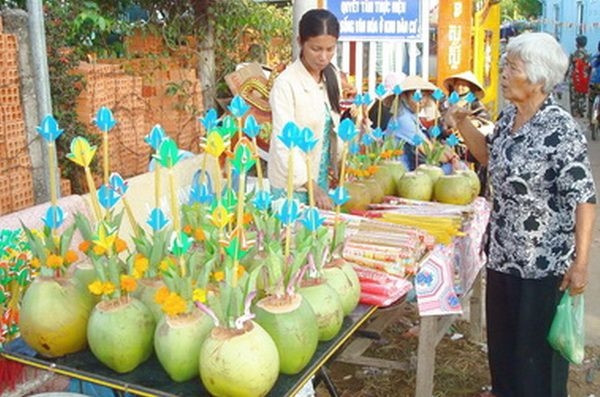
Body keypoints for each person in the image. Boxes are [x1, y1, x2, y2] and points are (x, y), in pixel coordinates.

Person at [445, 32, 596, 397]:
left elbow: (585, 197)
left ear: (538, 78)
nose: (503, 72)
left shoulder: (560, 128)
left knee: (537, 361)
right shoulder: (509, 116)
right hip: (502, 256)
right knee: (506, 352)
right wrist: (462, 123)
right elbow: (489, 157)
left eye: (511, 66)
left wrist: (581, 263)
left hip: (543, 266)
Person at [267, 9, 344, 210]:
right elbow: (284, 144)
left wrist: (339, 165)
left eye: (330, 49)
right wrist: (312, 187)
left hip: (321, 180)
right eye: (316, 49)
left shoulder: (332, 76)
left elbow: (332, 130)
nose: (324, 57)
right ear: (300, 42)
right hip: (293, 184)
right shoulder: (286, 84)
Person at [568, 35, 590, 117]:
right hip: (584, 77)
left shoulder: (575, 54)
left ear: (577, 44)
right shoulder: (588, 54)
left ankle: (575, 111)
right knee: (582, 94)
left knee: (574, 95)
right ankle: (582, 110)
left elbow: (570, 66)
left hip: (575, 78)